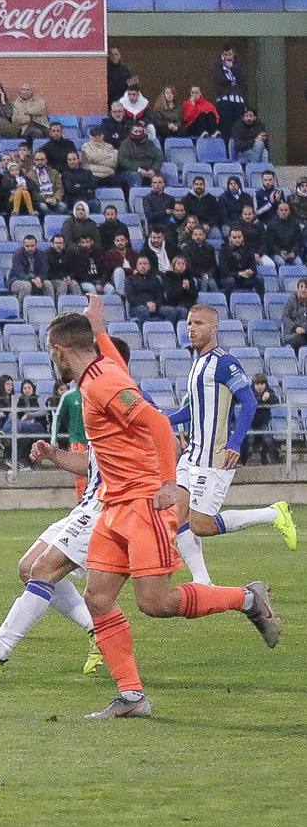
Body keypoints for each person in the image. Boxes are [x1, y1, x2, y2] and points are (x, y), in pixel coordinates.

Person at [46, 298, 280, 720]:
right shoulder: (102, 369)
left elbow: (155, 422)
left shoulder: (100, 384)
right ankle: (133, 697)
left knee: (155, 603)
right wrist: (98, 324)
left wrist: (169, 484)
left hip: (143, 502)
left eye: (52, 353)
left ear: (61, 352)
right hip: (113, 505)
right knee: (98, 598)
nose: (52, 361)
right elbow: (111, 356)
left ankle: (246, 598)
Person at [0, 424, 108, 677]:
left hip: (103, 509)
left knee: (43, 570)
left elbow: (161, 440)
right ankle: (99, 631)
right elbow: (92, 464)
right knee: (28, 568)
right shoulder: (97, 406)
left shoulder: (120, 404)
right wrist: (53, 454)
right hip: (86, 506)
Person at [164, 305, 298, 584]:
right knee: (177, 517)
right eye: (189, 323)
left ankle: (273, 512)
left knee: (201, 525)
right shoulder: (198, 362)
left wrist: (235, 443)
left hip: (214, 457)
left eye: (198, 323)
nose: (191, 328)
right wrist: (164, 420)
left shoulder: (224, 362)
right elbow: (196, 410)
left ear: (213, 329)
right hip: (192, 455)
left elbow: (249, 400)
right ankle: (203, 582)